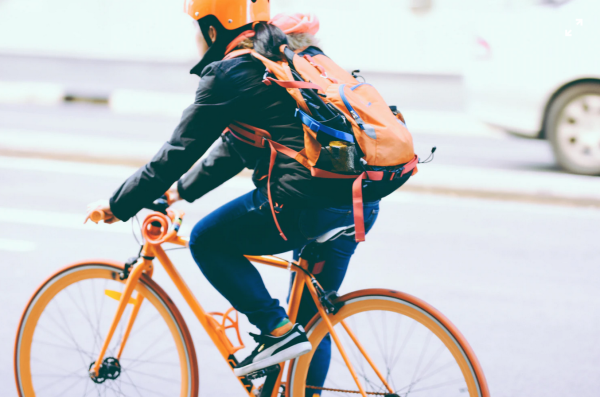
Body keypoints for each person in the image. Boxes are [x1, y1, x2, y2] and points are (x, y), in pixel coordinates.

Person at [86, 0, 406, 390]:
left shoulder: (229, 72)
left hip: (303, 206)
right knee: (311, 325)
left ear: (215, 28)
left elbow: (177, 152)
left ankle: (273, 329)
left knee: (206, 240)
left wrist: (119, 205)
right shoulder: (285, 56)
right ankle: (288, 349)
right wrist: (179, 193)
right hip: (358, 201)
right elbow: (235, 148)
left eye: (199, 28)